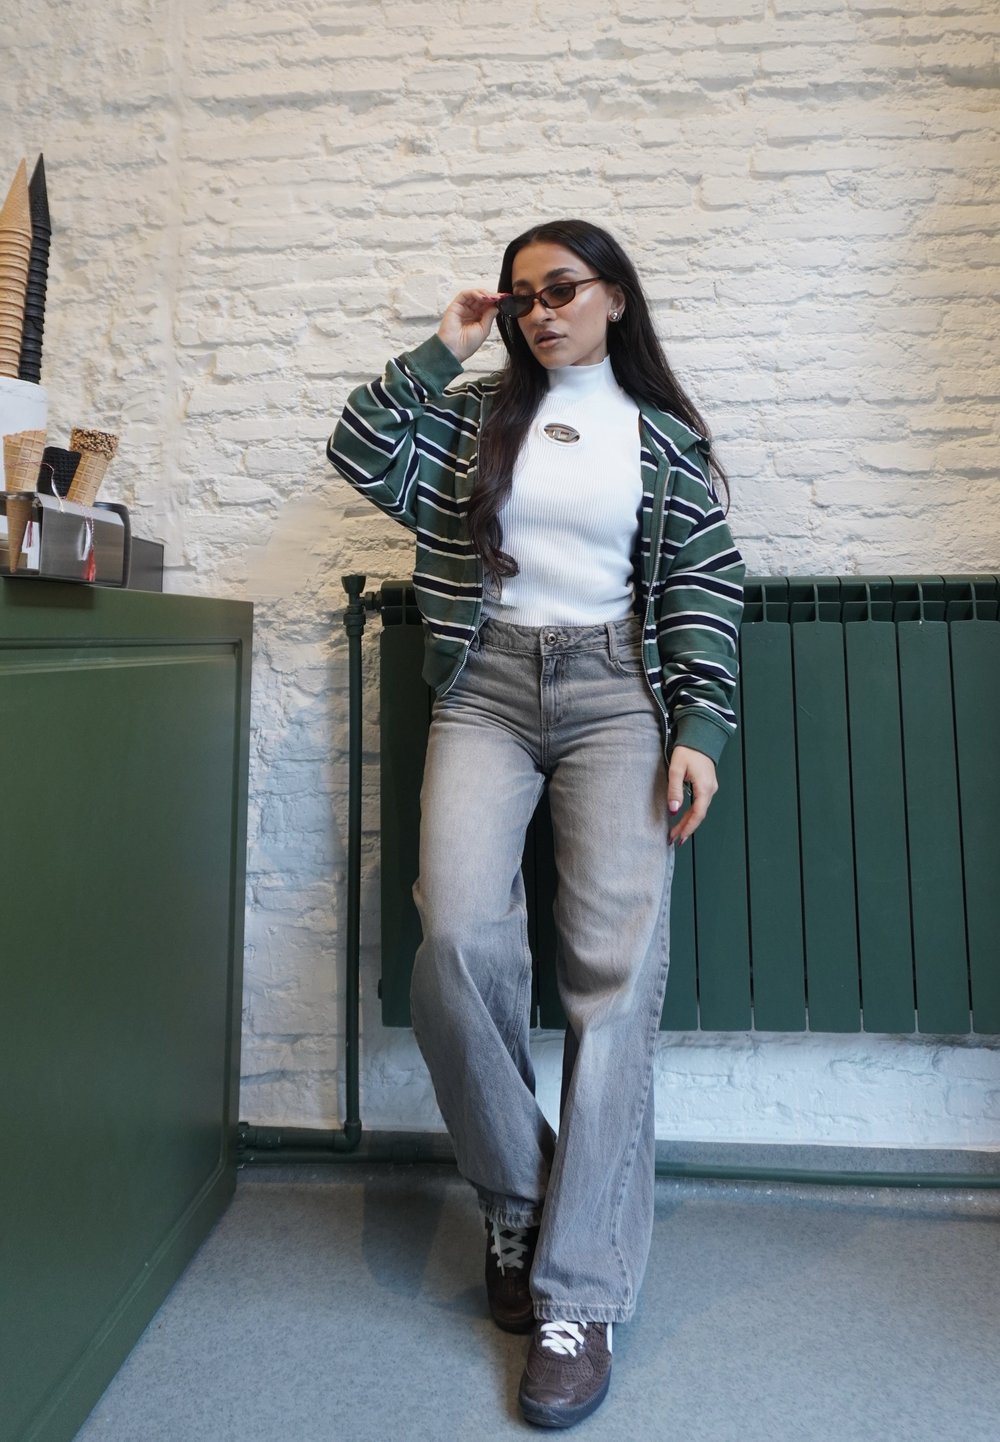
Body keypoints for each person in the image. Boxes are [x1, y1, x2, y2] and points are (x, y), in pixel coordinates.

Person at [328, 219, 744, 1429]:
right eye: (520, 298)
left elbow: (704, 582)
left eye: (559, 288)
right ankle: (523, 1194)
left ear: (613, 295)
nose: (539, 311)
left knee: (611, 977)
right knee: (456, 939)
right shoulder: (474, 418)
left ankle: (580, 1292)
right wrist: (443, 346)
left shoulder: (661, 438)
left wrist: (698, 726)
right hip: (485, 685)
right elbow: (358, 448)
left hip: (617, 693)